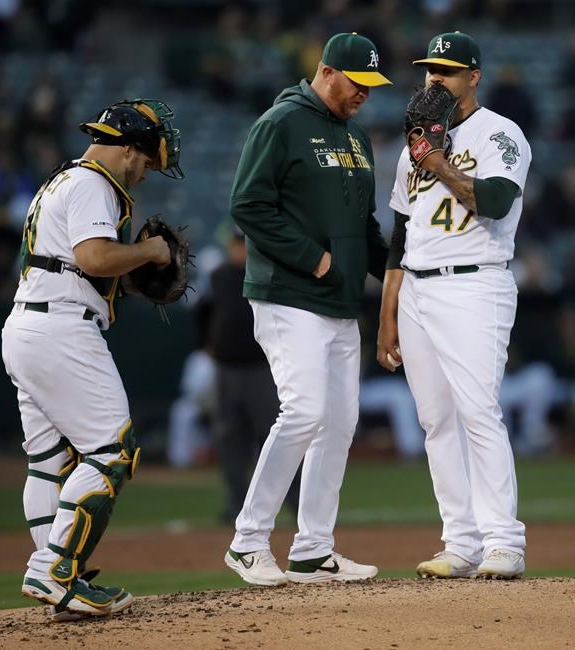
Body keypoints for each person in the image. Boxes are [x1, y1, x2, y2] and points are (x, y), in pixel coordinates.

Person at [1, 98, 183, 620]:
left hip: (29, 326)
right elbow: (93, 258)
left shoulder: (63, 179)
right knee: (112, 450)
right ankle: (55, 570)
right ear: (128, 148)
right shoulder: (93, 183)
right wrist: (150, 255)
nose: (146, 172)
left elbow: (81, 265)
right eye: (147, 162)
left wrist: (127, 273)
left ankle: (53, 571)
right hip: (60, 328)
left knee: (48, 464)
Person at [224, 32, 391, 586]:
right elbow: (247, 204)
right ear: (325, 71)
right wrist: (312, 258)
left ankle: (313, 547)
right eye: (357, 81)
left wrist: (396, 277)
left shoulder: (358, 139)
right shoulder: (280, 123)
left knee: (340, 422)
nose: (365, 92)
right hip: (288, 293)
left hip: (341, 304)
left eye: (371, 84)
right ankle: (248, 540)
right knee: (303, 411)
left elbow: (365, 230)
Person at [377, 32, 531, 579]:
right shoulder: (412, 147)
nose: (435, 79)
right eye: (428, 69)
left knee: (477, 411)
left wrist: (436, 160)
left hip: (475, 284)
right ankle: (460, 541)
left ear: (474, 78)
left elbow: (493, 200)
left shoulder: (501, 133)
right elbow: (400, 235)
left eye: (447, 69)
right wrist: (387, 316)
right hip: (416, 288)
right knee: (436, 420)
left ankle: (504, 542)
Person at [200, 225, 300, 522]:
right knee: (230, 440)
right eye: (237, 243)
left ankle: (296, 504)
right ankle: (236, 505)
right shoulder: (218, 276)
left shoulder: (267, 273)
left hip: (262, 368)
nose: (240, 249)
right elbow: (202, 313)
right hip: (226, 369)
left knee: (276, 437)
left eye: (245, 243)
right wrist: (206, 343)